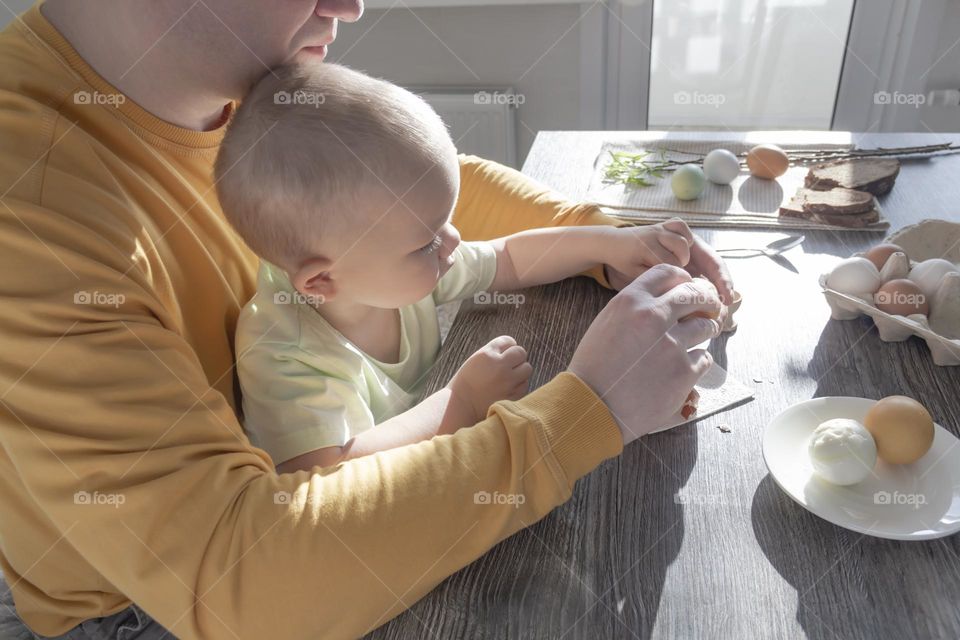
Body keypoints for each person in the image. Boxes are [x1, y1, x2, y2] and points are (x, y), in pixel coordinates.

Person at [0, 1, 733, 638]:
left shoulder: (224, 84)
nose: (350, 5)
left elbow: (403, 186)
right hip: (151, 608)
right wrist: (586, 412)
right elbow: (244, 589)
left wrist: (609, 241)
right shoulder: (26, 203)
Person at [220, 62, 703, 472]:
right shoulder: (284, 352)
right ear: (321, 280)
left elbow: (507, 258)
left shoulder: (388, 269)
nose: (451, 240)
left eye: (445, 222)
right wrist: (461, 403)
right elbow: (328, 476)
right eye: (427, 239)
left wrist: (608, 244)